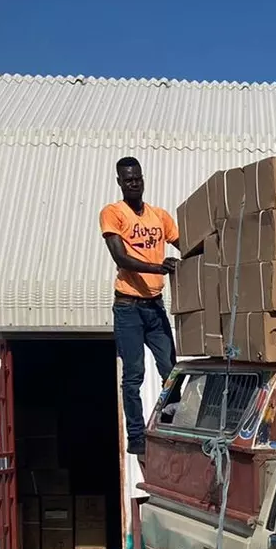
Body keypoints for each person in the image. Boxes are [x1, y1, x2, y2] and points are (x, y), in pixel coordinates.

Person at [100, 155, 180, 456]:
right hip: (128, 307)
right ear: (120, 182)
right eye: (128, 180)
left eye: (137, 178)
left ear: (143, 179)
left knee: (170, 369)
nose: (134, 183)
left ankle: (171, 422)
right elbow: (121, 258)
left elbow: (186, 244)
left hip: (154, 305)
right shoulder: (113, 213)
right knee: (133, 375)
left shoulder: (159, 216)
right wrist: (159, 267)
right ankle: (136, 435)